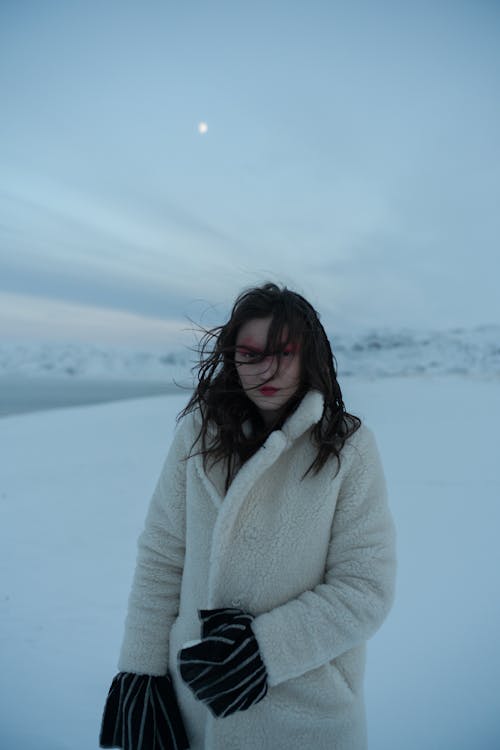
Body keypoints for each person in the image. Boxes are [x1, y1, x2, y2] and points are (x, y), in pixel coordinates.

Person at [99, 282, 397, 750]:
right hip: (198, 706)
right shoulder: (198, 435)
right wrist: (141, 669)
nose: (267, 369)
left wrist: (263, 652)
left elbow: (365, 588)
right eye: (251, 353)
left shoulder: (347, 447)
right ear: (232, 356)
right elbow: (162, 556)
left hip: (304, 714)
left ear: (310, 355)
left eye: (285, 352)